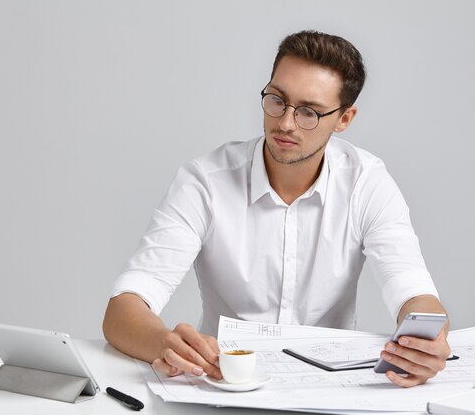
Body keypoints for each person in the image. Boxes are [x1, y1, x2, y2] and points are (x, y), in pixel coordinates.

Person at [103, 30, 451, 388]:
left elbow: (414, 293)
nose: (285, 123)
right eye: (277, 100)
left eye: (309, 112)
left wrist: (426, 342)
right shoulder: (206, 181)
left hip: (329, 391)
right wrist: (166, 344)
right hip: (225, 385)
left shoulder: (367, 183)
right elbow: (124, 308)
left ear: (344, 118)